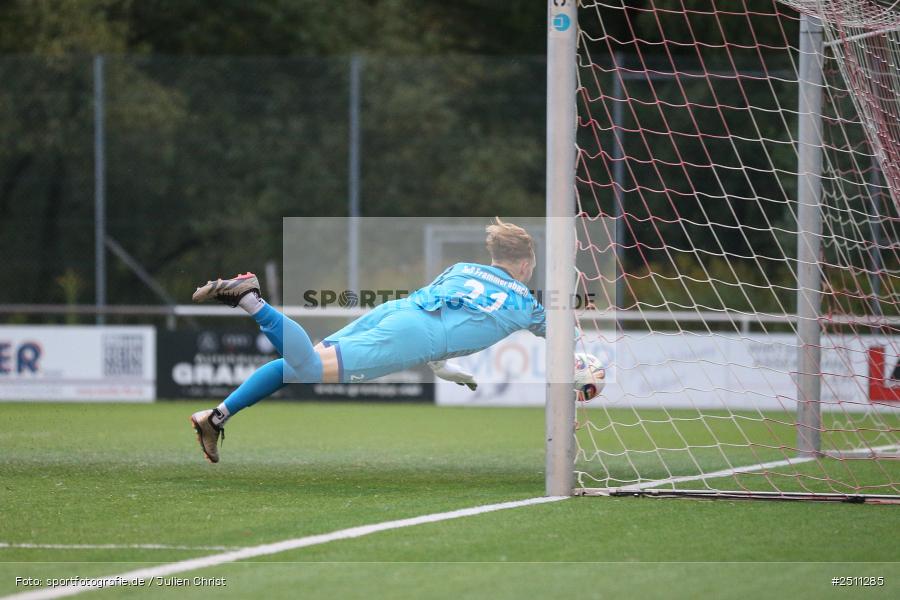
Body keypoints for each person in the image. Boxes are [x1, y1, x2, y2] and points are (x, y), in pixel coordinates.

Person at [189, 218, 546, 462]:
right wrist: (585, 372)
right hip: (413, 336)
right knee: (310, 367)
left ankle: (216, 418)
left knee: (295, 367)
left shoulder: (463, 268)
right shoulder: (528, 304)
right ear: (527, 266)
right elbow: (562, 340)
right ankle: (250, 298)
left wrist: (443, 365)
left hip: (397, 312)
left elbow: (442, 309)